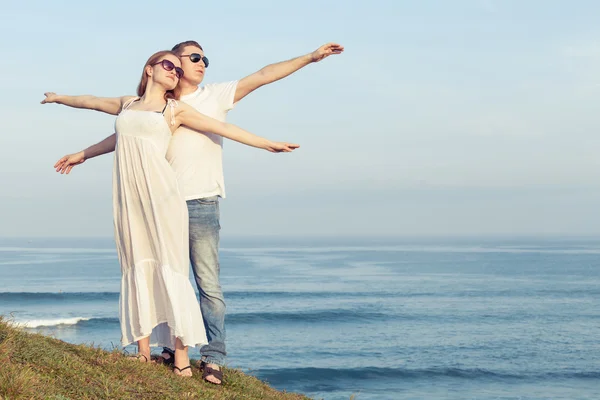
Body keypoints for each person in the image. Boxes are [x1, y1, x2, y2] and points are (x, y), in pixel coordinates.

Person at [52, 40, 343, 384]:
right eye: (189, 59)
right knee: (155, 271)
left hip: (201, 200)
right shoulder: (139, 105)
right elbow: (118, 129)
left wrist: (309, 61)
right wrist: (69, 122)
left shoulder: (207, 98)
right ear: (159, 67)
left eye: (202, 58)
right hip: (156, 201)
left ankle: (211, 356)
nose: (198, 63)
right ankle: (162, 349)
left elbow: (261, 80)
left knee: (206, 284)